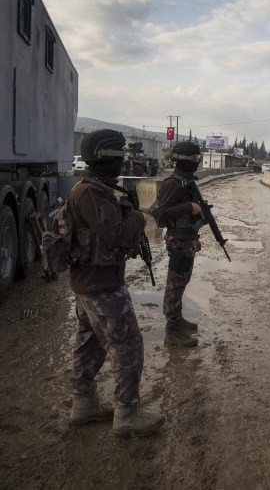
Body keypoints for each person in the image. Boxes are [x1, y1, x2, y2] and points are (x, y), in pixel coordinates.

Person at [67, 129, 164, 437]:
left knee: (90, 342)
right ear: (106, 159)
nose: (123, 162)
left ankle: (83, 405)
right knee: (128, 344)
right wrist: (138, 217)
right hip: (101, 286)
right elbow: (117, 233)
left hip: (91, 282)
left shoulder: (92, 188)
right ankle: (127, 412)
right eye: (119, 157)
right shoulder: (92, 193)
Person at [156, 141, 204, 347]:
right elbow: (160, 214)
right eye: (194, 160)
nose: (197, 163)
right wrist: (188, 207)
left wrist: (196, 237)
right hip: (178, 241)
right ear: (184, 161)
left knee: (182, 282)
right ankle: (172, 330)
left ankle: (178, 319)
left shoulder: (187, 182)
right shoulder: (172, 183)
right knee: (174, 285)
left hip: (187, 239)